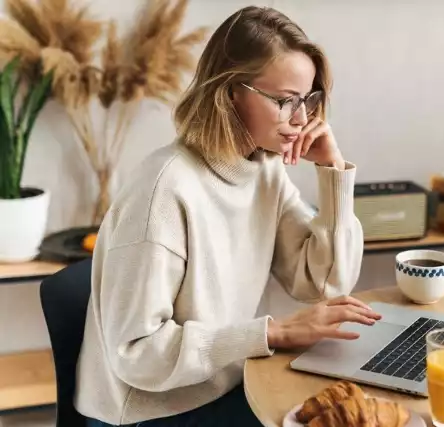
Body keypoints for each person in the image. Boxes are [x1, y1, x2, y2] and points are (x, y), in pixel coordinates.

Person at [77, 5, 381, 427]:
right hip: (153, 411)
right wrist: (272, 333)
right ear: (230, 92)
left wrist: (333, 171)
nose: (301, 120)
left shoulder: (263, 169)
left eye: (308, 100)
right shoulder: (164, 190)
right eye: (284, 101)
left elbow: (324, 281)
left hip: (226, 384)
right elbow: (137, 352)